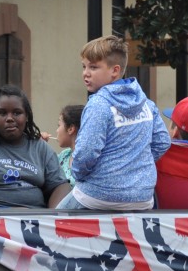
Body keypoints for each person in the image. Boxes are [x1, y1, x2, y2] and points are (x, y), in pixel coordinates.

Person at [57, 35, 171, 211]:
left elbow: (86, 152)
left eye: (93, 67)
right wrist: (137, 167)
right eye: (84, 66)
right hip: (142, 198)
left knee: (48, 224)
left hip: (97, 195)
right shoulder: (147, 104)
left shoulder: (98, 104)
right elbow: (162, 142)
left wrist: (78, 174)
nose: (85, 73)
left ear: (115, 71)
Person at [54, 104, 84, 185]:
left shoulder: (88, 159)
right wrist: (40, 145)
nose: (57, 131)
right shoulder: (64, 155)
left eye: (59, 125)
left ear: (70, 129)